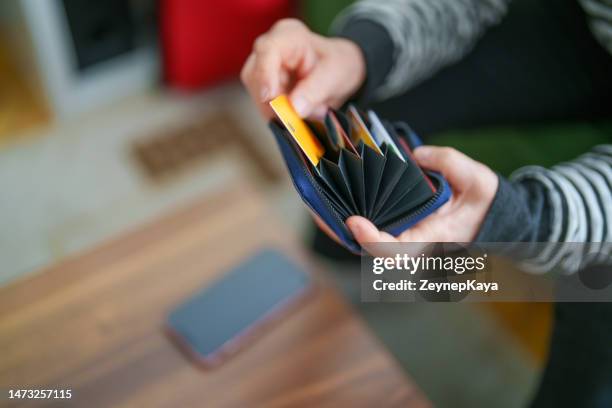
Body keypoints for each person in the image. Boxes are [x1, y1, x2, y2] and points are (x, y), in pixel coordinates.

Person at [241, 0, 612, 406]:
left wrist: (524, 215)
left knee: (598, 288)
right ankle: (343, 287)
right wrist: (362, 51)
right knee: (369, 103)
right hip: (592, 25)